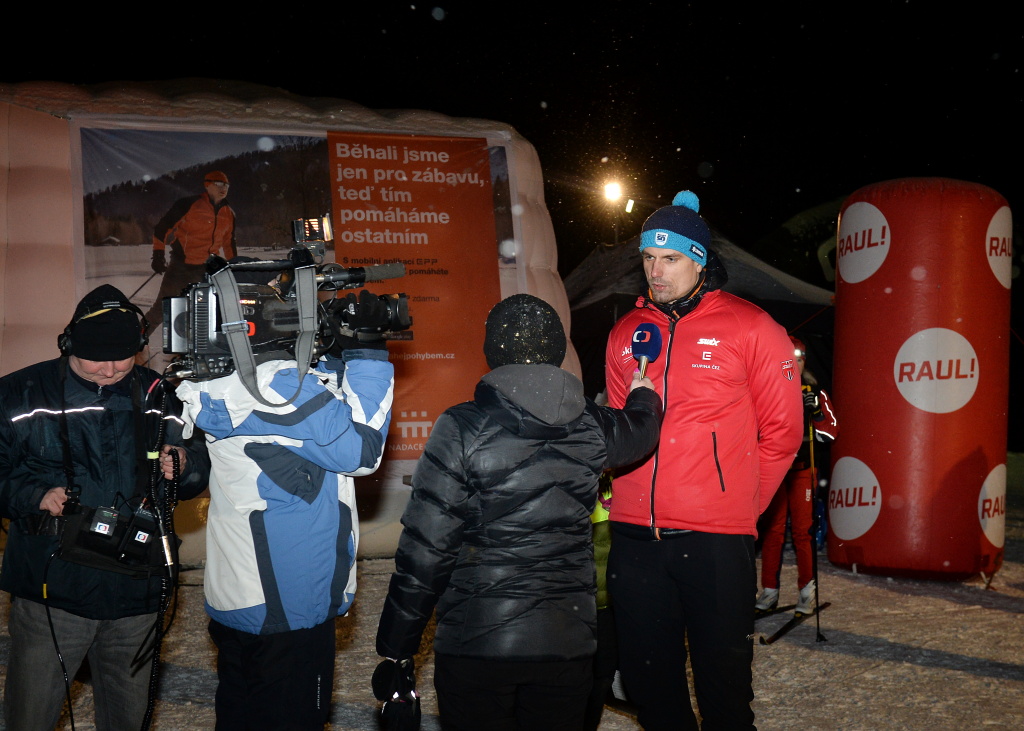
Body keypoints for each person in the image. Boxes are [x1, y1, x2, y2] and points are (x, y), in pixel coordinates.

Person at [375, 293, 663, 731]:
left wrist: (397, 646)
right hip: (566, 642)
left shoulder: (461, 427)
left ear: (492, 352)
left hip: (477, 642)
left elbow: (426, 550)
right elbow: (641, 431)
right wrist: (644, 396)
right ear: (557, 350)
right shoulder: (592, 423)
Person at [603, 191, 803, 730]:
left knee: (724, 689)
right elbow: (622, 432)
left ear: (699, 261)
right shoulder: (627, 333)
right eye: (648, 258)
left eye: (670, 259)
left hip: (715, 538)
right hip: (635, 536)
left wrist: (740, 508)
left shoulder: (752, 327)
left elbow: (783, 433)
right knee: (649, 688)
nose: (656, 272)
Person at [173, 287, 395, 730]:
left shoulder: (232, 384)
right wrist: (368, 352)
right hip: (288, 603)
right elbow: (361, 450)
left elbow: (323, 414)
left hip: (243, 592)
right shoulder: (276, 389)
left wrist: (334, 356)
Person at [0, 284, 210, 731]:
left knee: (128, 719)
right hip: (53, 590)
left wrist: (185, 464)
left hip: (138, 591)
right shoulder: (18, 394)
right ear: (68, 346)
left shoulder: (161, 396)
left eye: (122, 358)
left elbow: (199, 464)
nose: (110, 370)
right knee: (30, 716)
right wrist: (34, 495)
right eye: (96, 359)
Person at [756, 336, 839, 616]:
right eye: (790, 358)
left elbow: (831, 434)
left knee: (803, 532)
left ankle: (807, 590)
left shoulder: (813, 390)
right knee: (773, 532)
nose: (795, 363)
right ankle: (769, 590)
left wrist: (816, 413)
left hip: (803, 470)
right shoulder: (768, 388)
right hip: (776, 471)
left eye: (800, 358)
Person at [145, 170, 237, 331]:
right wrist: (158, 255)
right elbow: (162, 228)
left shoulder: (229, 213)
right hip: (181, 266)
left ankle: (196, 346)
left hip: (207, 270)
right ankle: (135, 340)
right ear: (207, 185)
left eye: (226, 185)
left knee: (204, 313)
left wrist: (235, 266)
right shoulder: (188, 204)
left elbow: (229, 243)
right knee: (162, 309)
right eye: (219, 184)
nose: (223, 188)